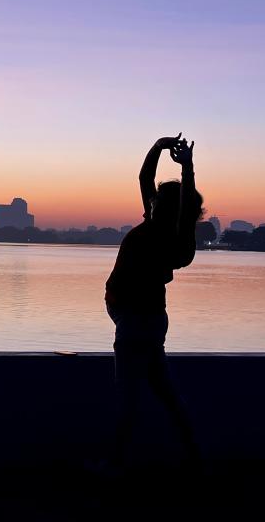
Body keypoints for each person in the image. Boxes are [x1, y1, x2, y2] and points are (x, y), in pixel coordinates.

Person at [104, 134, 203, 468]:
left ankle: (114, 468)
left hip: (137, 321)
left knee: (128, 399)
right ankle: (197, 460)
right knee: (166, 396)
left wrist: (187, 168)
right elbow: (145, 178)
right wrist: (158, 147)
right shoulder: (153, 220)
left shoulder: (171, 236)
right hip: (140, 319)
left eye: (159, 199)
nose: (152, 199)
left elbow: (186, 202)